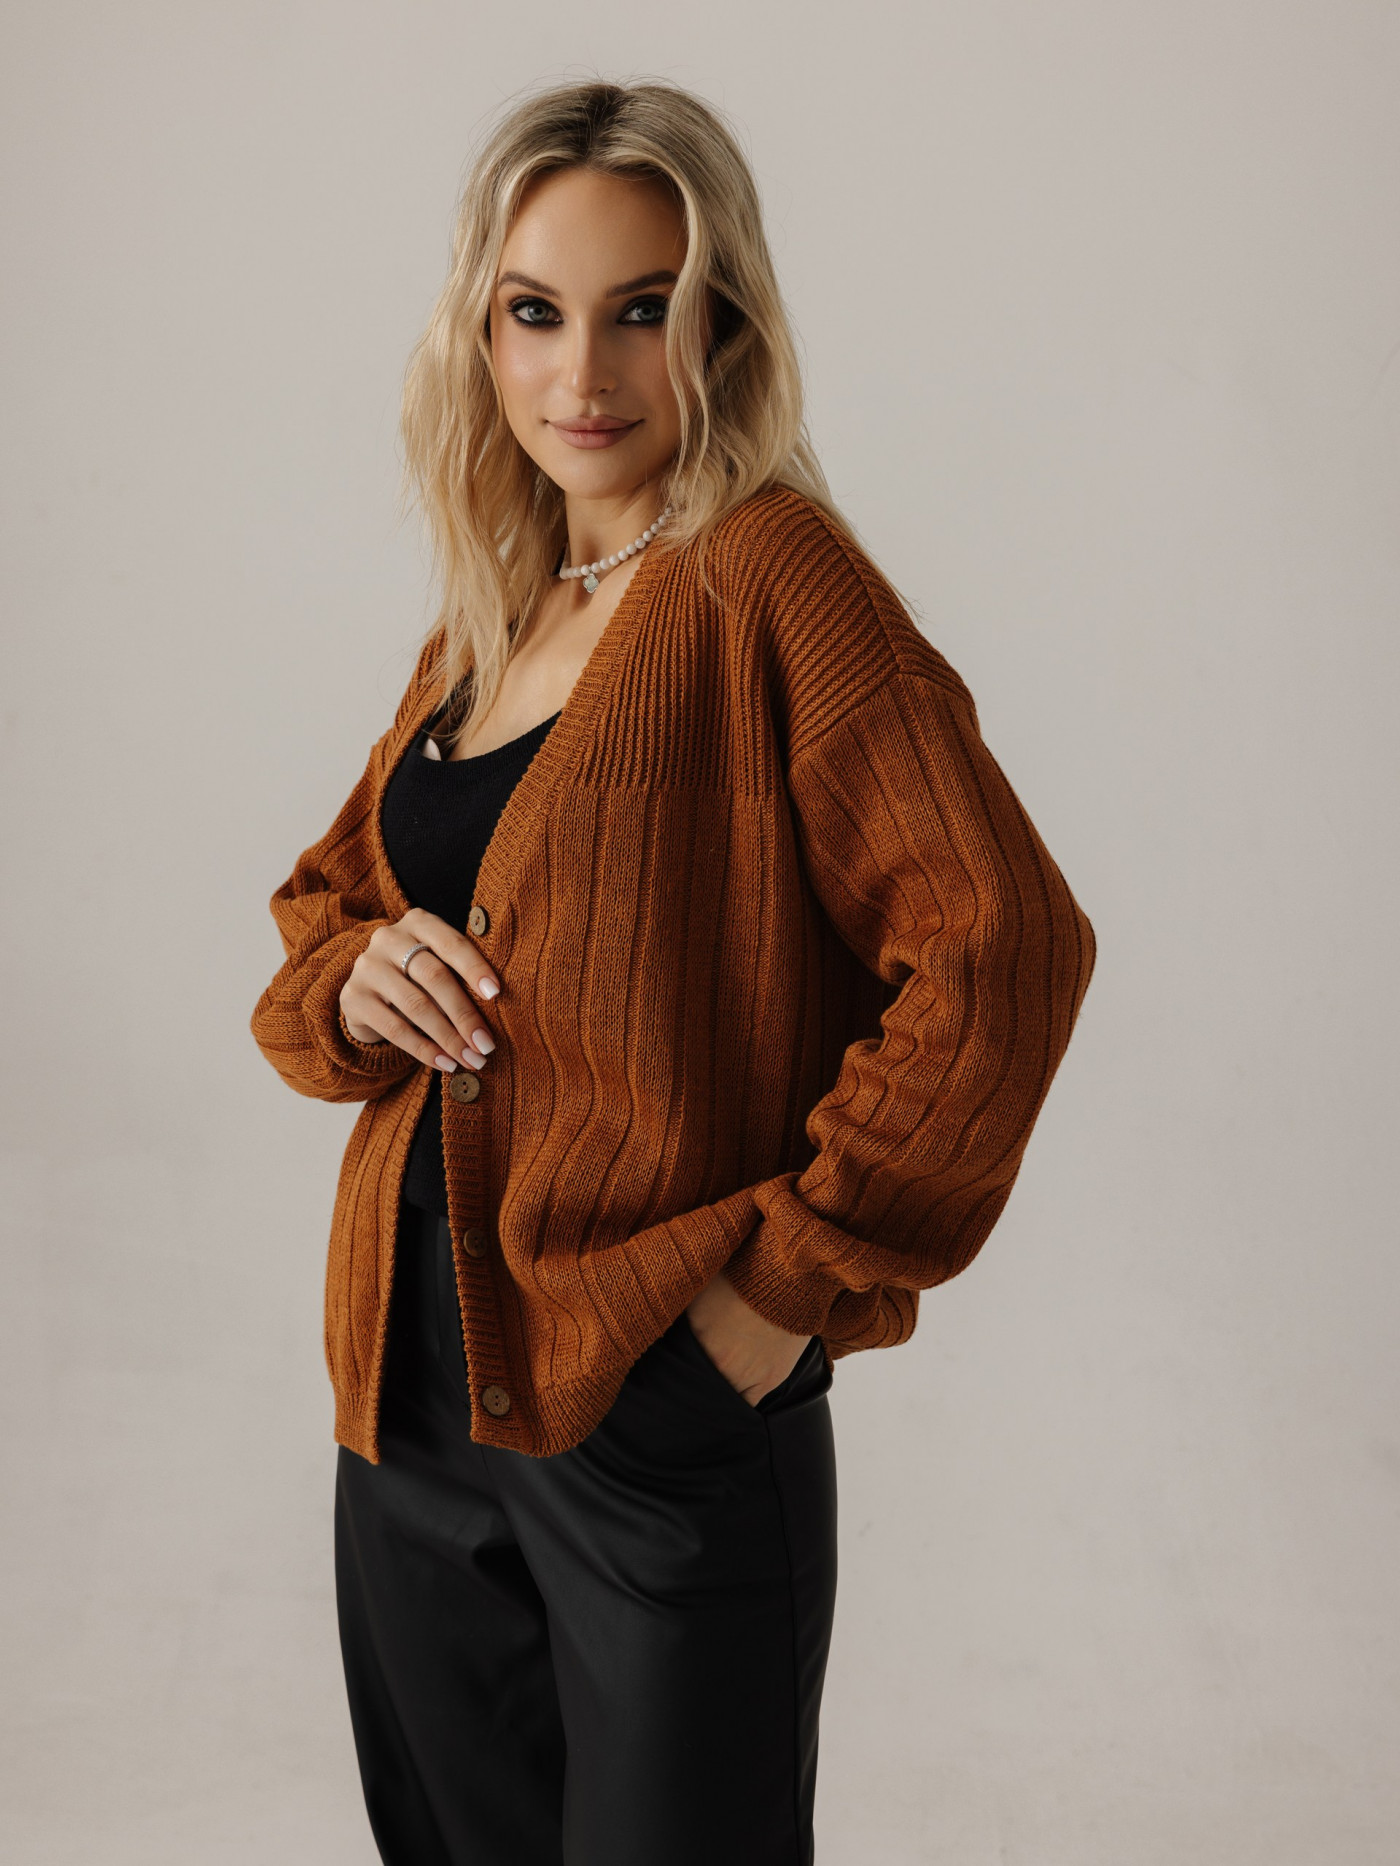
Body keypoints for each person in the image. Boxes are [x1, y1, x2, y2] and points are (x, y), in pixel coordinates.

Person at [249, 77, 1096, 1866]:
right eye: (535, 312)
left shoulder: (773, 580)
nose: (585, 372)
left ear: (721, 324)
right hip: (408, 1400)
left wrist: (783, 1286)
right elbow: (327, 909)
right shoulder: (495, 612)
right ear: (481, 333)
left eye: (644, 308)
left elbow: (1001, 946)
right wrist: (351, 980)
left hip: (655, 1399)